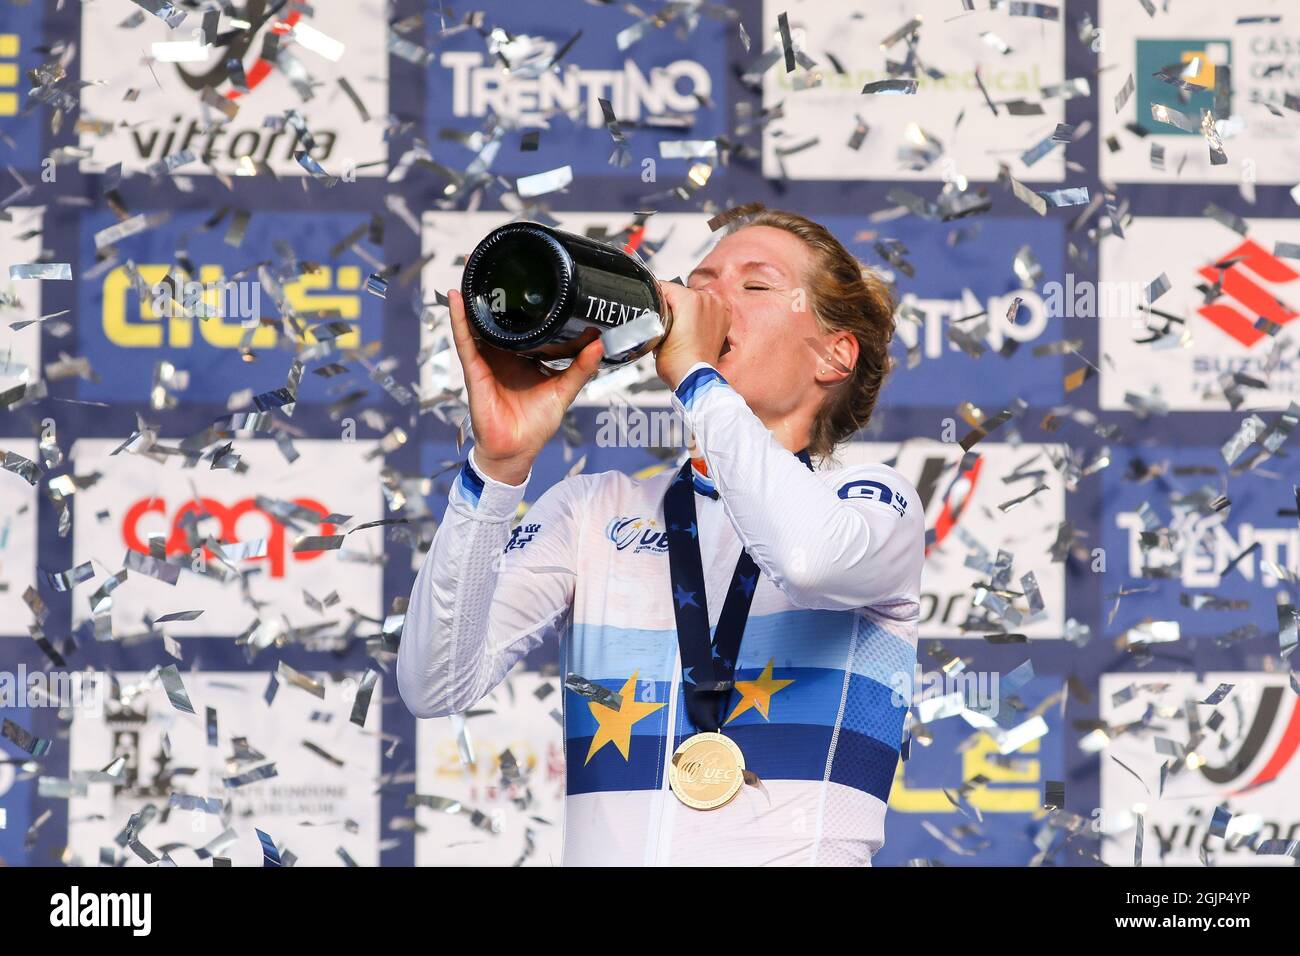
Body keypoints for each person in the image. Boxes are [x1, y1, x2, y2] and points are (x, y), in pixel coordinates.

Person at [398, 209, 925, 866]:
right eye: (698, 281)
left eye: (755, 286)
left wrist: (699, 378)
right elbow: (435, 685)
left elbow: (808, 560)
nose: (710, 300)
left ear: (833, 354)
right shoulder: (596, 509)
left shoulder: (873, 504)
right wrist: (496, 469)